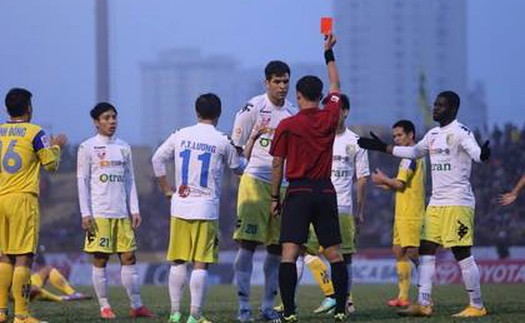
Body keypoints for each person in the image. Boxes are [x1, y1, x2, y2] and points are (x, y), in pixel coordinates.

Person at [358, 90, 491, 318]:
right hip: (436, 203)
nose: (435, 108)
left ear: (453, 108)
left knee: (461, 252)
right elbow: (413, 152)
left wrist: (484, 155)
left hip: (457, 201)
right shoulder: (432, 135)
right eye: (435, 104)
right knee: (426, 249)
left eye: (440, 105)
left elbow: (477, 154)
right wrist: (383, 148)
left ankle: (477, 305)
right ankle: (424, 303)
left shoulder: (461, 133)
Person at [269, 33, 348, 322]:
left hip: (299, 192)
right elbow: (336, 85)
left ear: (298, 96)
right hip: (326, 191)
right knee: (335, 254)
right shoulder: (330, 117)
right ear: (321, 97)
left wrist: (275, 198)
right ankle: (340, 309)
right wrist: (328, 53)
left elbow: (277, 164)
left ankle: (289, 312)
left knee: (289, 253)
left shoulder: (288, 125)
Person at [152, 93, 245, 323]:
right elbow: (238, 168)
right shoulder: (222, 140)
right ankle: (194, 315)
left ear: (196, 112)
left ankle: (175, 313)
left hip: (180, 205)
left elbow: (156, 159)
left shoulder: (180, 134)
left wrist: (166, 188)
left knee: (178, 260)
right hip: (206, 208)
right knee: (200, 263)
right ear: (219, 114)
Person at [77, 102, 154, 320]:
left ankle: (137, 306)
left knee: (129, 258)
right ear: (96, 122)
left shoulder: (123, 147)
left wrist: (134, 209)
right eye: (107, 118)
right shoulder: (87, 147)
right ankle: (104, 306)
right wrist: (85, 213)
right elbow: (81, 182)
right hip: (99, 213)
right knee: (100, 259)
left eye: (114, 117)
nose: (112, 122)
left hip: (122, 213)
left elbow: (129, 180)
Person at [231, 60, 295, 322]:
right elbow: (236, 147)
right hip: (255, 181)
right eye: (277, 81)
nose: (282, 86)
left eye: (286, 81)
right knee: (248, 244)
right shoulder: (252, 108)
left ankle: (268, 307)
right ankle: (243, 307)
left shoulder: (292, 113)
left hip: (282, 186)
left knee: (276, 248)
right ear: (266, 82)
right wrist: (243, 169)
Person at [0, 88, 67, 323]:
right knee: (23, 257)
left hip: (1, 198)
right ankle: (21, 315)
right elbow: (50, 165)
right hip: (22, 199)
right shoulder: (35, 132)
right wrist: (57, 146)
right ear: (29, 108)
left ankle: (0, 313)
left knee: (4, 256)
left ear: (7, 108)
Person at [303, 94, 369, 315]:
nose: (329, 115)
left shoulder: (356, 142)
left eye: (334, 110)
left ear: (345, 112)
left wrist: (359, 211)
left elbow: (361, 178)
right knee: (303, 250)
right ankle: (331, 294)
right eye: (326, 110)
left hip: (342, 208)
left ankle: (346, 301)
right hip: (317, 204)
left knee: (345, 256)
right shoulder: (318, 137)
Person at [370, 120, 426, 307]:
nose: (396, 139)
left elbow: (400, 184)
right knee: (399, 251)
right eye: (394, 136)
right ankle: (403, 297)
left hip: (411, 214)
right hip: (401, 214)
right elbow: (401, 186)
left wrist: (383, 179)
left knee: (413, 253)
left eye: (400, 135)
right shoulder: (407, 158)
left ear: (411, 135)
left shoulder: (411, 157)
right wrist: (385, 183)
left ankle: (426, 295)